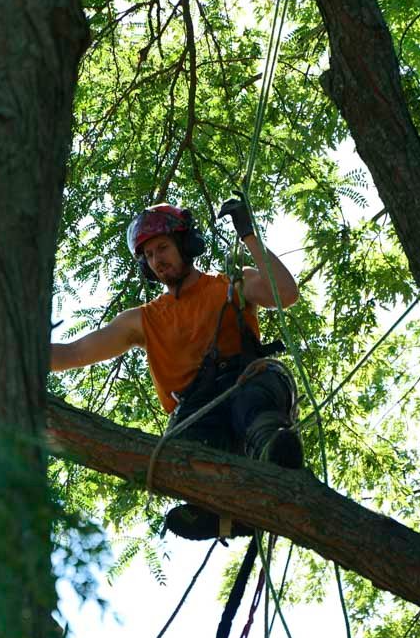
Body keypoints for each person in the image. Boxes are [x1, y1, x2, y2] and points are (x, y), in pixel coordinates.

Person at [50, 196, 303, 540]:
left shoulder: (231, 285)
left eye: (163, 248)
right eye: (149, 255)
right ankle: (221, 512)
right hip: (199, 410)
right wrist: (13, 351)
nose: (157, 260)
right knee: (184, 442)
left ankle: (275, 452)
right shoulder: (144, 320)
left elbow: (285, 293)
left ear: (186, 245)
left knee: (251, 405)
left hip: (249, 383)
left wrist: (248, 233)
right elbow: (73, 353)